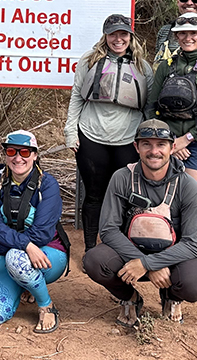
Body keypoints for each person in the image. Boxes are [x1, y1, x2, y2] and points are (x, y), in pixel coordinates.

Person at [82, 121, 197, 327]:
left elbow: (194, 243)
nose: (154, 151)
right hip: (130, 254)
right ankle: (130, 298)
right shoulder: (122, 178)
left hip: (173, 257)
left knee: (194, 283)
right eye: (146, 144)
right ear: (136, 147)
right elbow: (108, 230)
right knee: (95, 261)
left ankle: (172, 297)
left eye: (161, 144)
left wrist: (150, 264)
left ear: (172, 147)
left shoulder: (187, 185)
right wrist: (143, 262)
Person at [65, 14, 153, 251]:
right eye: (113, 34)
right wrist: (70, 131)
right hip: (92, 136)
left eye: (123, 34)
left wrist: (148, 142)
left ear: (130, 36)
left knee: (125, 195)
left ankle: (119, 247)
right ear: (105, 35)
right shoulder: (89, 61)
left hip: (127, 139)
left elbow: (149, 107)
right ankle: (91, 247)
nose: (118, 39)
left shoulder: (142, 67)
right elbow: (76, 96)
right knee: (94, 195)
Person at [143, 13, 197, 233]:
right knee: (163, 209)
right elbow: (151, 107)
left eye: (193, 33)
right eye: (182, 33)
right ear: (176, 36)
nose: (188, 37)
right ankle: (163, 260)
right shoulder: (167, 66)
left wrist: (187, 139)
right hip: (168, 144)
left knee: (191, 209)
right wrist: (170, 141)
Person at [0, 131, 69, 334]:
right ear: (5, 154)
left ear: (35, 155)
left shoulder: (47, 184)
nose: (18, 157)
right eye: (11, 151)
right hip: (19, 251)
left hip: (48, 253)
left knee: (15, 258)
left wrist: (2, 247)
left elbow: (42, 234)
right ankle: (24, 285)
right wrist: (24, 245)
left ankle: (46, 306)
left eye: (25, 152)